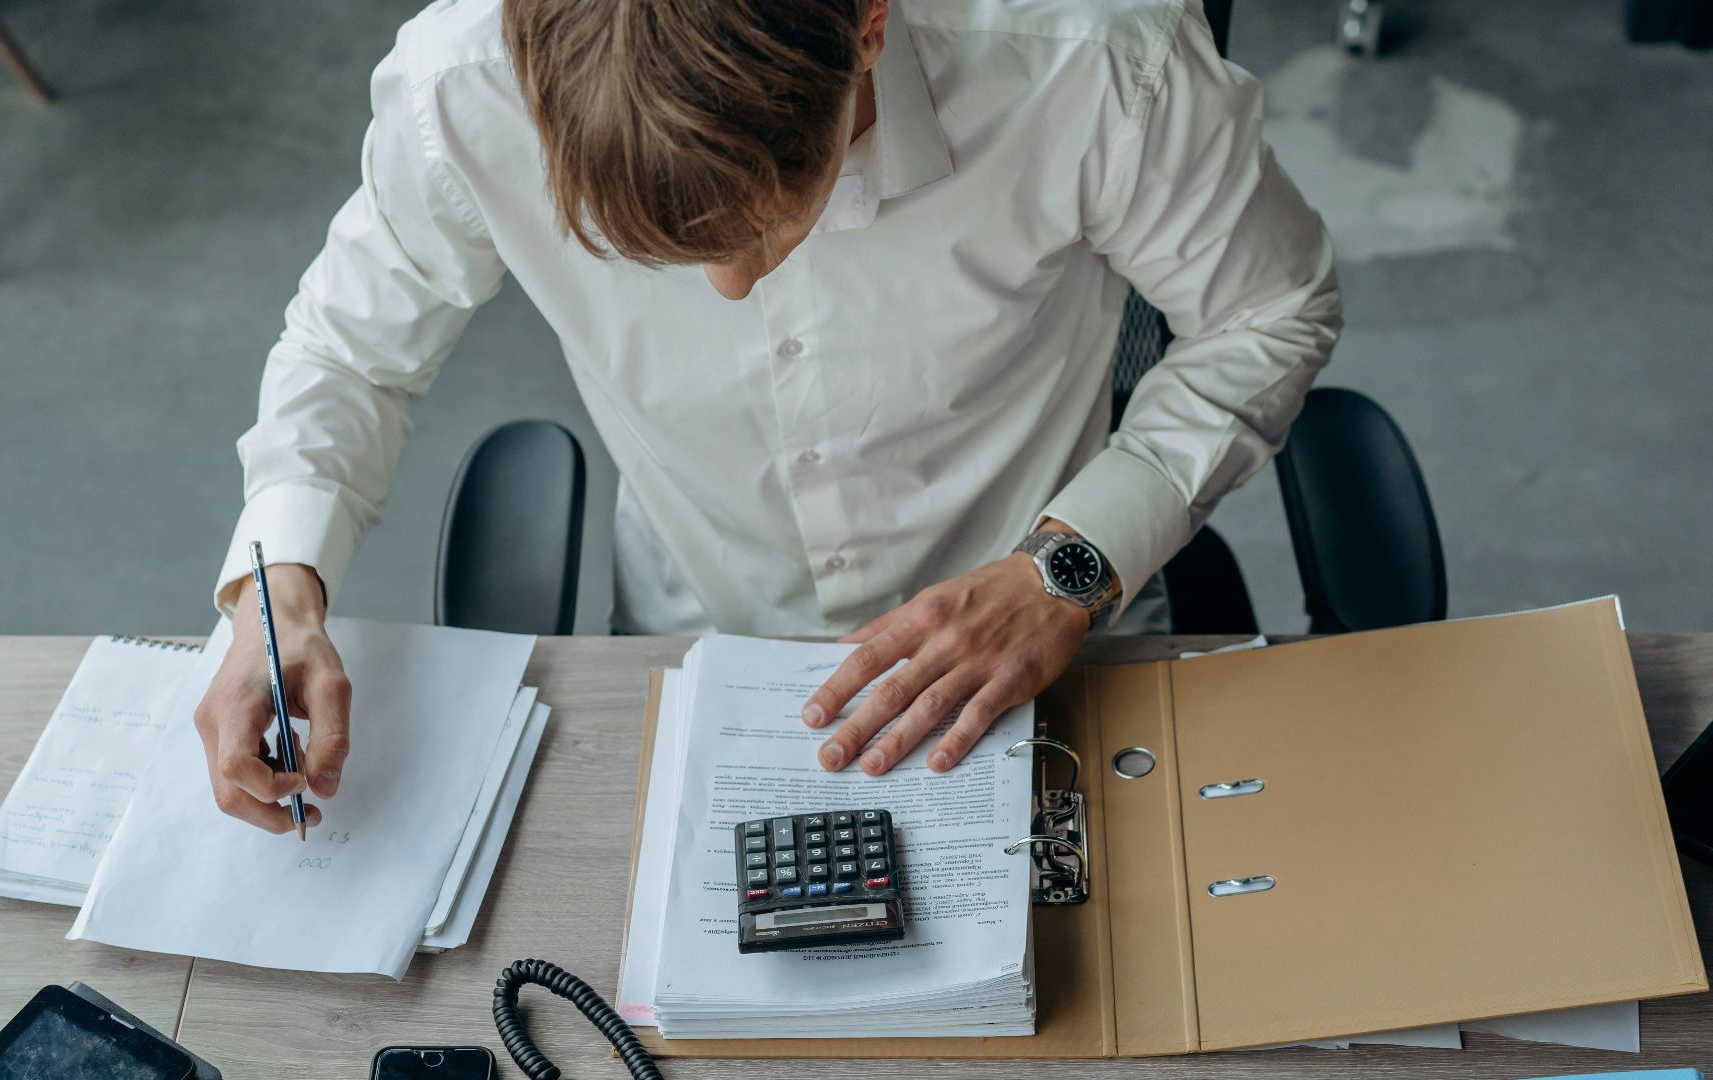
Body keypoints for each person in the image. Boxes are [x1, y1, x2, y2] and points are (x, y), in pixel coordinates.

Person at [194, 0, 1341, 833]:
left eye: (769, 230)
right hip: (696, 637)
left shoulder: (1092, 55)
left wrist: (1070, 569)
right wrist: (276, 591)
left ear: (870, 33)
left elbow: (1272, 308)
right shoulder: (465, 86)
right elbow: (346, 349)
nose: (732, 292)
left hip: (1058, 638)